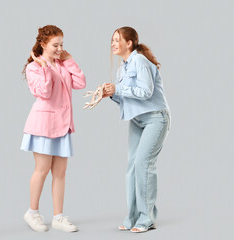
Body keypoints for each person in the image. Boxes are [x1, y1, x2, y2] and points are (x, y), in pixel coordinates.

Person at [104, 26, 171, 233]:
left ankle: (146, 218)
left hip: (155, 118)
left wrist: (119, 89)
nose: (113, 43)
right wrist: (111, 94)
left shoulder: (140, 61)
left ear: (129, 43)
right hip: (137, 120)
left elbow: (145, 91)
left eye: (117, 40)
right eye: (112, 40)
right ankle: (132, 217)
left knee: (144, 164)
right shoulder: (122, 67)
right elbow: (127, 98)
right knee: (132, 167)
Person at [21, 25, 86, 232]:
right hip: (43, 125)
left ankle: (58, 217)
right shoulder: (34, 67)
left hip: (63, 124)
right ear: (43, 44)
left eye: (62, 44)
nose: (60, 49)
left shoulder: (62, 63)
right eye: (55, 45)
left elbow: (80, 82)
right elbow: (45, 92)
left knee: (60, 172)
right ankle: (32, 213)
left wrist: (69, 60)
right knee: (42, 170)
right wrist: (45, 66)